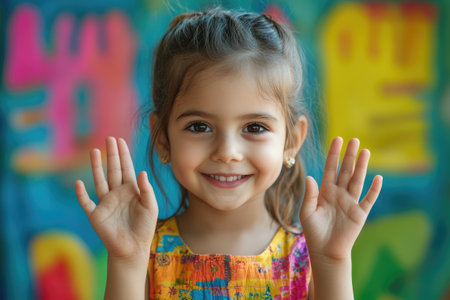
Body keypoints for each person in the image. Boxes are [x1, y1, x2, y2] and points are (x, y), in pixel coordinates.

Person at [75, 7, 383, 300]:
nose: (227, 152)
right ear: (163, 139)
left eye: (254, 127)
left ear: (291, 140)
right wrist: (126, 260)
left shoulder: (310, 256)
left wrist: (333, 261)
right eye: (199, 127)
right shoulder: (143, 251)